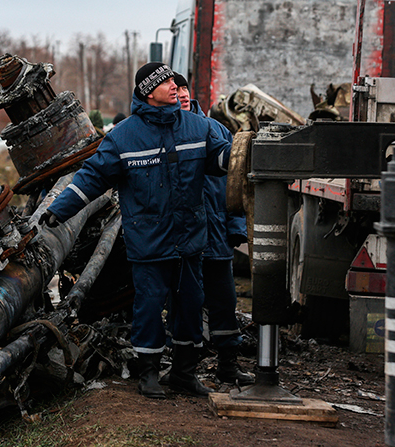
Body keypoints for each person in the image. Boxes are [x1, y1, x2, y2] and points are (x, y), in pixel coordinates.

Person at [40, 63, 232, 399]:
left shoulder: (199, 127)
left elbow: (223, 161)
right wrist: (58, 210)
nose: (175, 86)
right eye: (166, 82)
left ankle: (185, 373)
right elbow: (91, 178)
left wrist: (247, 153)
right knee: (148, 307)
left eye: (174, 80)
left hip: (189, 239)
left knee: (190, 304)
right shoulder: (123, 137)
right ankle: (149, 374)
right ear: (147, 91)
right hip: (150, 241)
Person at [174, 73, 254, 385]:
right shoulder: (165, 134)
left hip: (217, 238)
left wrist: (235, 229)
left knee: (224, 303)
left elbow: (235, 189)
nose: (181, 94)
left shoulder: (215, 130)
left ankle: (228, 368)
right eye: (174, 89)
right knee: (184, 308)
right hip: (183, 243)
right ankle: (184, 370)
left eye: (184, 88)